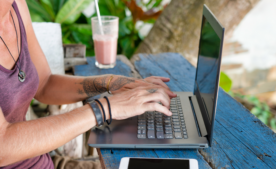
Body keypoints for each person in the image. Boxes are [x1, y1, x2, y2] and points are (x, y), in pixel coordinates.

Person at [0, 0, 176, 168]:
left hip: (43, 162)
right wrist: (106, 108)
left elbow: (45, 84)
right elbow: (3, 146)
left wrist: (109, 82)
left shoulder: (16, 7)